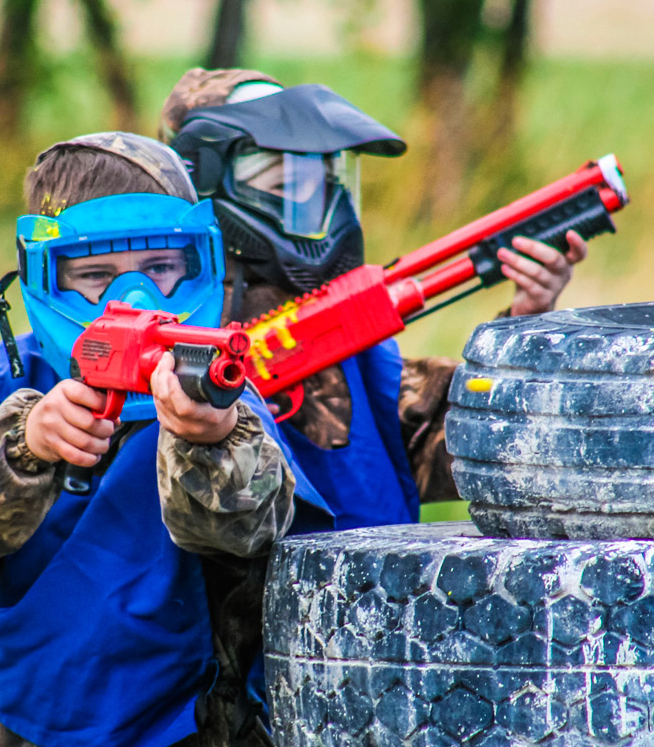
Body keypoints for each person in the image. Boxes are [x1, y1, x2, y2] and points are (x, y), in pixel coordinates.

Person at [0, 132, 329, 747]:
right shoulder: (11, 381)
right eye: (97, 276)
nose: (137, 296)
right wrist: (25, 443)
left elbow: (246, 530)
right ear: (45, 278)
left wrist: (206, 436)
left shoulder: (220, 393)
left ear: (200, 264)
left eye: (161, 267)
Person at [160, 68, 589, 524]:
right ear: (202, 182)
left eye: (325, 183)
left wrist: (524, 322)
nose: (318, 204)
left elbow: (448, 440)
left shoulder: (339, 322)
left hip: (368, 586)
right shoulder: (181, 324)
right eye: (286, 185)